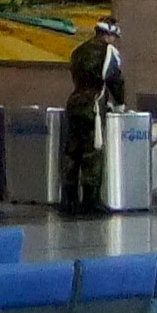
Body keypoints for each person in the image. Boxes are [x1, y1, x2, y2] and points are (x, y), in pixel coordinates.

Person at [59, 19, 128, 213]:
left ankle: (68, 199)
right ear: (108, 34)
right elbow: (114, 79)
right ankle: (91, 200)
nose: (114, 41)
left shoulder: (78, 51)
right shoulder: (108, 52)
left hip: (74, 104)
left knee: (72, 152)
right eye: (114, 37)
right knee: (92, 153)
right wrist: (120, 104)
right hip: (93, 107)